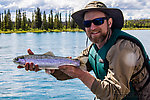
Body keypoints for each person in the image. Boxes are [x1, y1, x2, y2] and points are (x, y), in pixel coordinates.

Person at [18, 1, 150, 100]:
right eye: (87, 24)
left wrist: (81, 74)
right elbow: (70, 71)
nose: (92, 27)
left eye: (98, 21)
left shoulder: (123, 48)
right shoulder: (92, 50)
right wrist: (47, 66)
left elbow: (115, 93)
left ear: (109, 23)